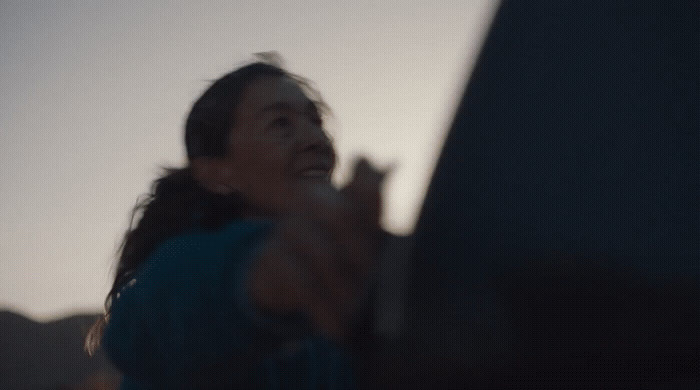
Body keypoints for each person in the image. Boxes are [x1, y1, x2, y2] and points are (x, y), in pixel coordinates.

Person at [85, 57, 388, 389]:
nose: (316, 139)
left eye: (315, 120)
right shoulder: (183, 274)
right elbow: (138, 329)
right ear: (217, 174)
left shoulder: (354, 268)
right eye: (280, 124)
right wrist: (260, 281)